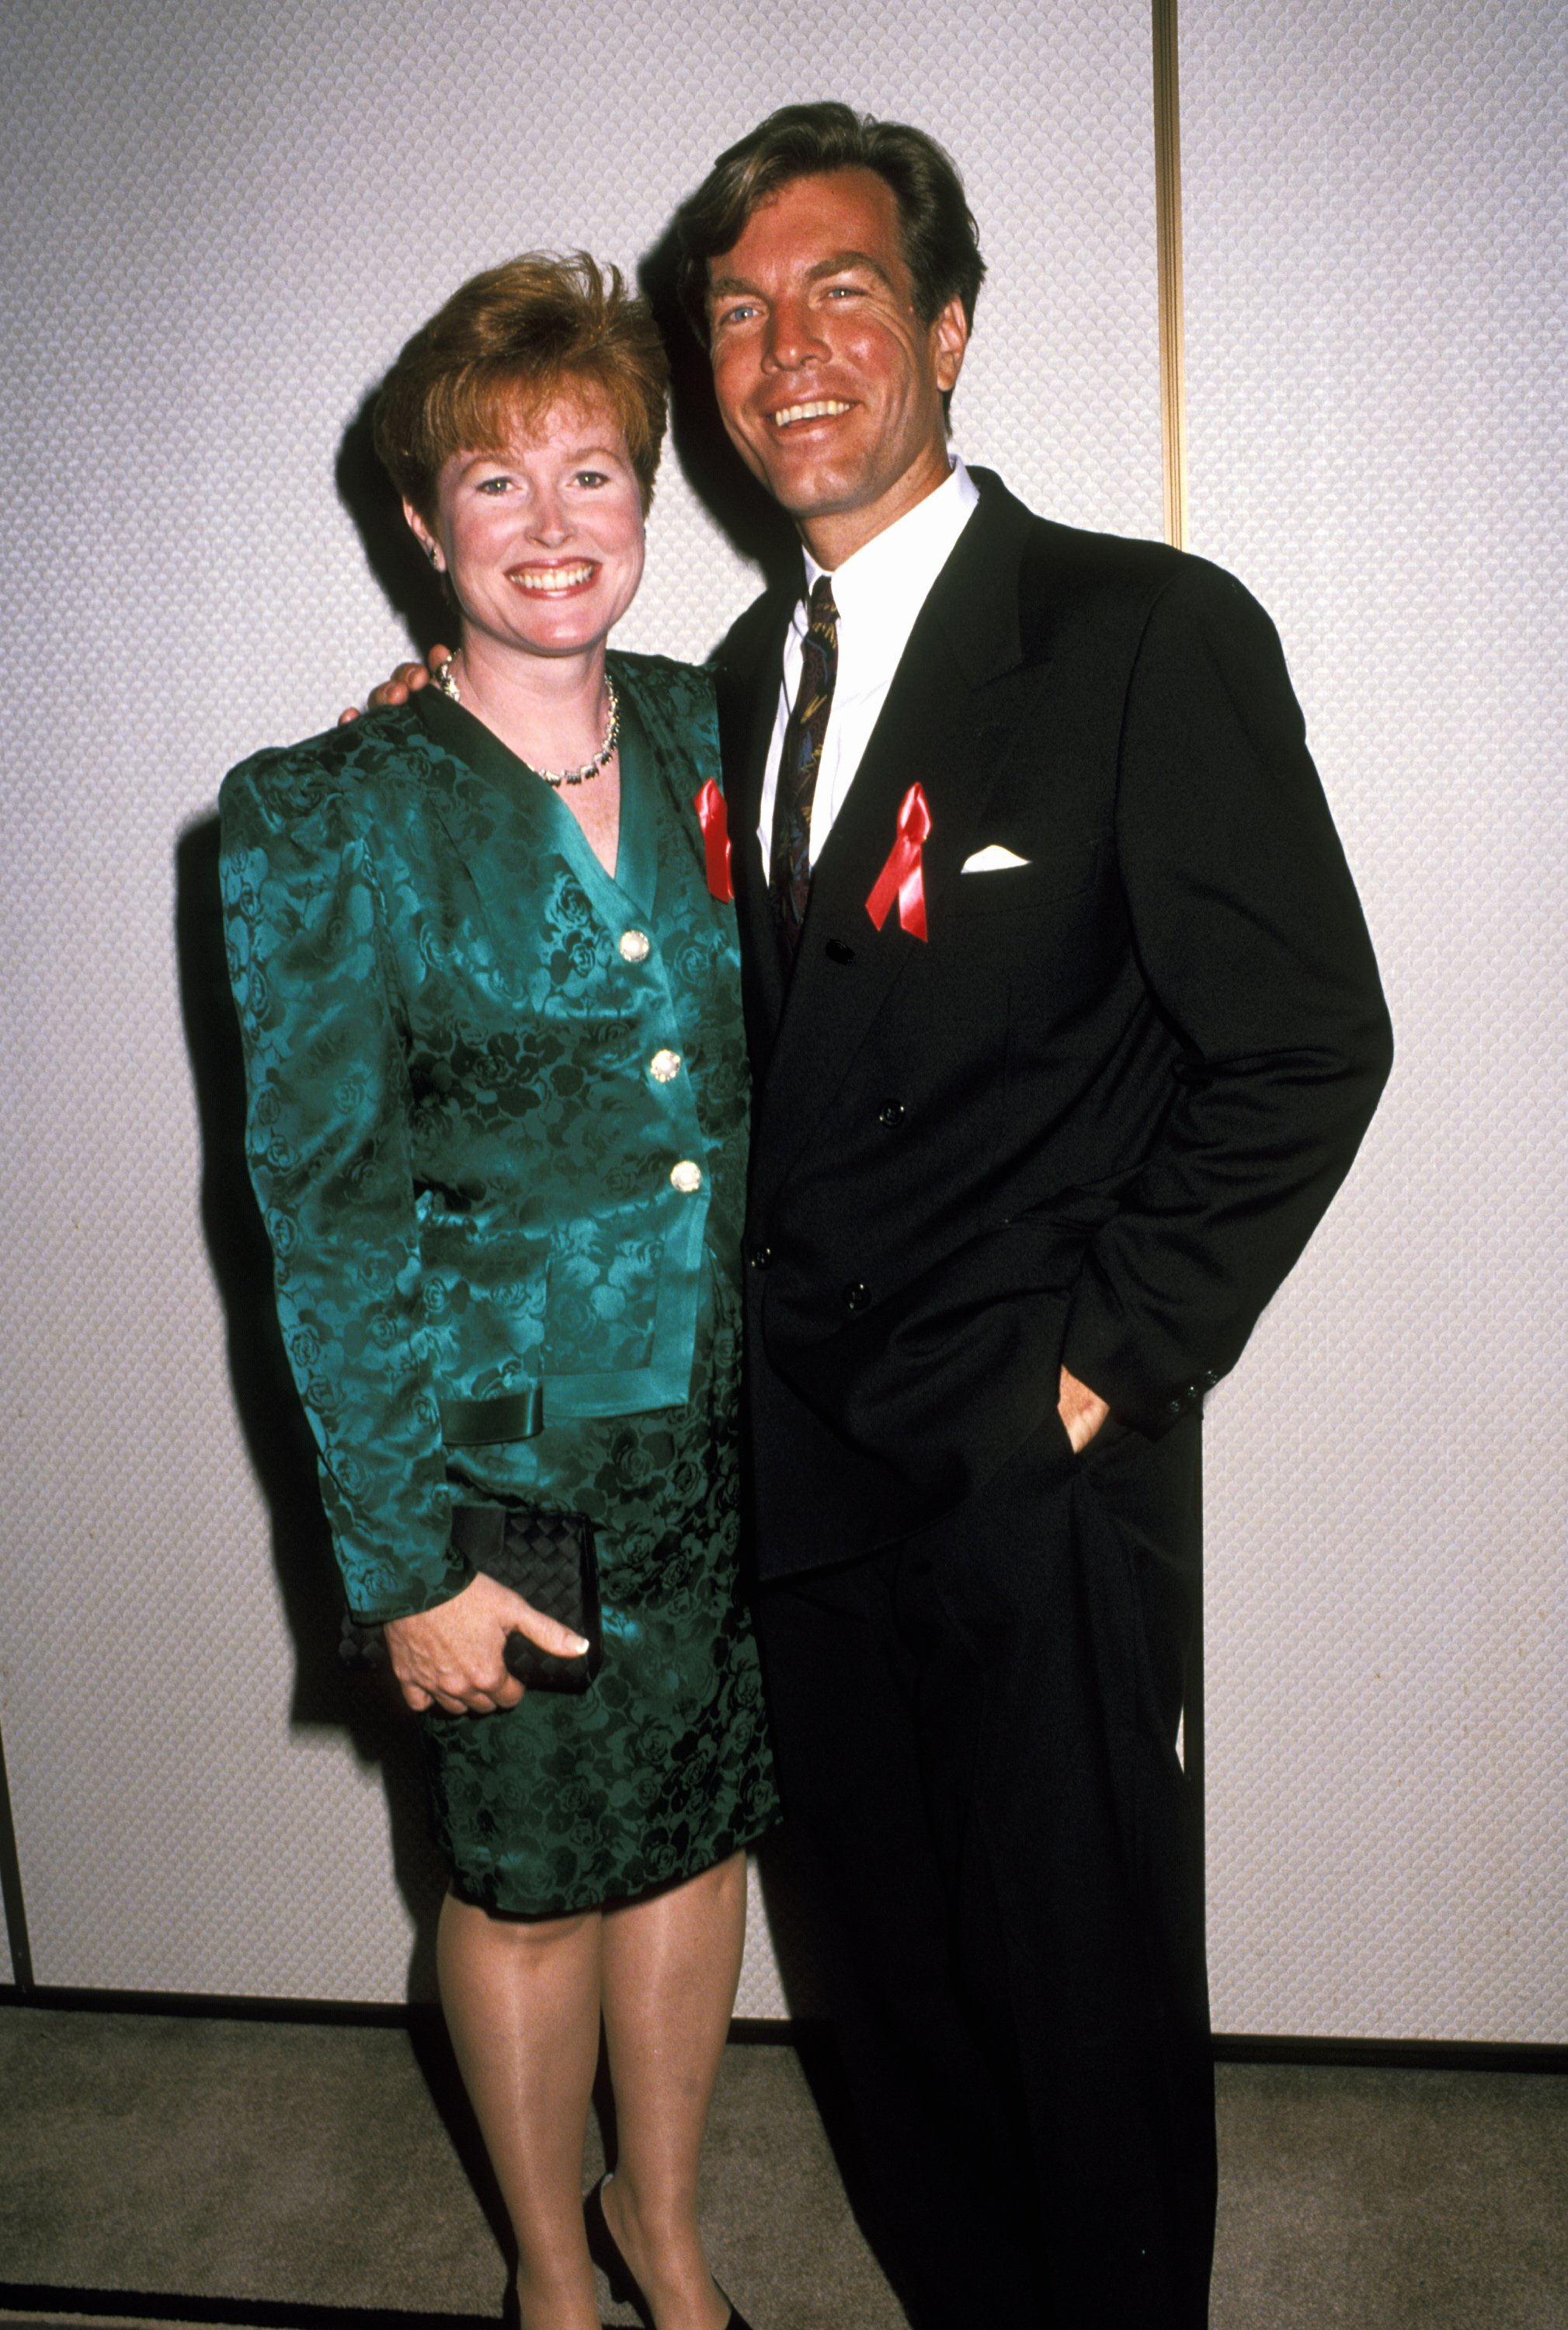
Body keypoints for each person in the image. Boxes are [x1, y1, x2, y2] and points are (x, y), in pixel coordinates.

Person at [367, 102, 1393, 2330]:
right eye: (735, 313)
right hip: (791, 1471)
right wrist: (431, 749)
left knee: (1078, 1997)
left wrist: (1100, 1369)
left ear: (945, 329)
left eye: (841, 292)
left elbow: (1308, 1041)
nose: (786, 345)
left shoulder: (1138, 634)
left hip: (1030, 1462)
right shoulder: (711, 704)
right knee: (886, 2002)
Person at [221, 252, 774, 2330]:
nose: (553, 527)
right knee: (530, 1883)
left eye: (595, 475)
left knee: (697, 1843)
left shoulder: (728, 734)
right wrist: (401, 1564)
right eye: (494, 483)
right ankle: (553, 2272)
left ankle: (671, 2228)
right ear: (418, 523)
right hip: (500, 1471)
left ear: (649, 502)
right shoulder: (323, 818)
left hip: (724, 1434)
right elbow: (326, 1210)